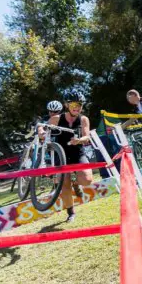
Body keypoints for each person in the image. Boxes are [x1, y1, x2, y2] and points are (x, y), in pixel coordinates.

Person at [46, 91, 93, 222]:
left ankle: (76, 182)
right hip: (60, 155)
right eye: (74, 104)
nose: (77, 107)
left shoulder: (83, 119)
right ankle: (71, 212)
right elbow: (43, 129)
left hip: (77, 153)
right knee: (64, 184)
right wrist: (41, 133)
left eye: (80, 104)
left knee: (87, 180)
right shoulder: (57, 118)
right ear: (67, 105)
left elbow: (87, 136)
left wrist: (79, 140)